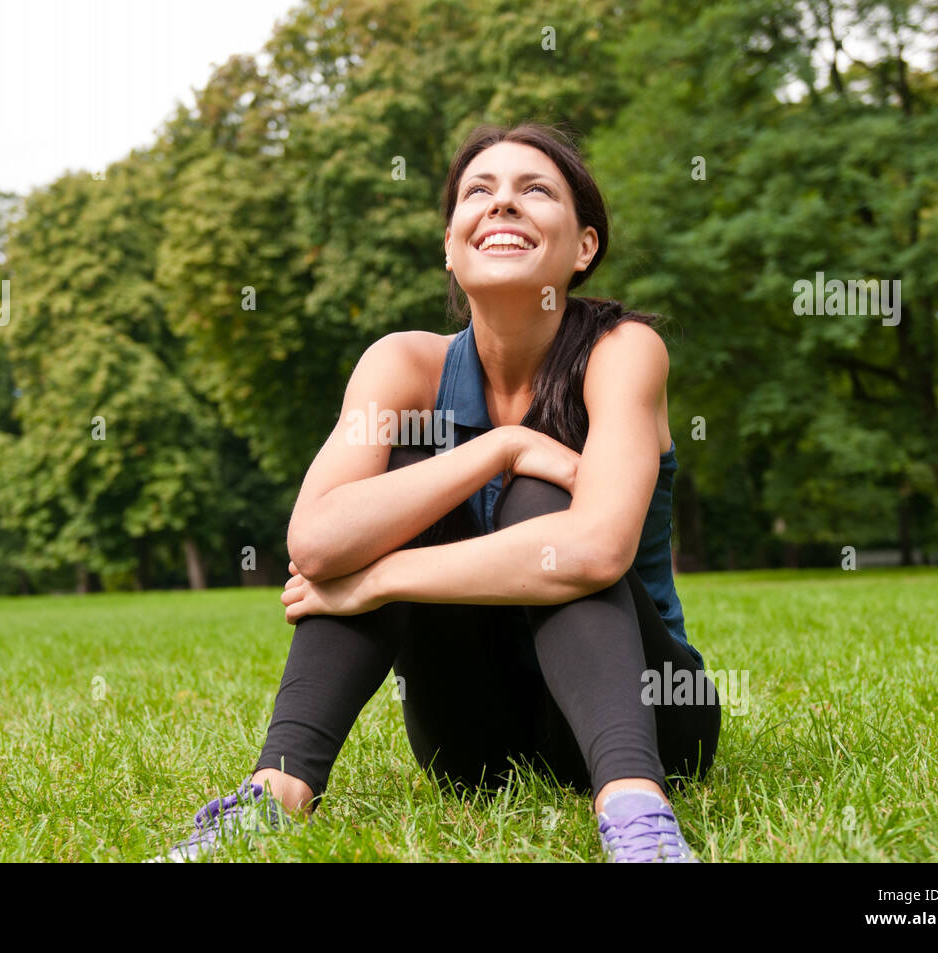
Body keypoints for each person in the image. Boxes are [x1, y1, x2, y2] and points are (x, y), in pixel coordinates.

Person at [156, 122, 721, 863]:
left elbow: (595, 549)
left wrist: (381, 577)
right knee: (413, 475)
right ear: (451, 246)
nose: (503, 205)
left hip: (650, 717)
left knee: (536, 503)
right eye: (479, 193)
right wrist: (503, 445)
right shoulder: (404, 364)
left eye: (535, 190)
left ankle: (638, 819)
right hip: (472, 743)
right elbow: (317, 542)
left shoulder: (623, 351)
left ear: (584, 246)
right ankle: (274, 797)